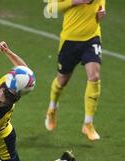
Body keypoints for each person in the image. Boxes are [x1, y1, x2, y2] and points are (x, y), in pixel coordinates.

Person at [45, 0, 106, 141]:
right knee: (62, 81)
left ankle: (88, 123)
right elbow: (50, 9)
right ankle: (52, 108)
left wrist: (101, 11)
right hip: (70, 41)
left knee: (94, 76)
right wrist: (75, 2)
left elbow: (101, 5)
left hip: (92, 38)